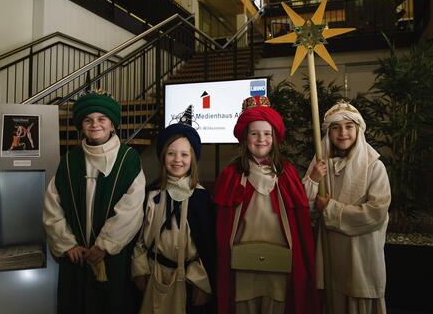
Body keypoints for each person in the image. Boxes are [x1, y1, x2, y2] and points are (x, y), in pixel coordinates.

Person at [43, 91, 146, 314]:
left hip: (112, 258)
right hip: (77, 256)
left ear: (112, 125)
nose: (95, 124)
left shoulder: (128, 160)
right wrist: (66, 243)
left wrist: (104, 244)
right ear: (81, 125)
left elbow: (132, 209)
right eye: (88, 120)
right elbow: (53, 204)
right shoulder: (69, 161)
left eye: (102, 119)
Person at [214, 96, 319, 314]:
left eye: (267, 133)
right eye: (254, 133)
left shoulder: (287, 172)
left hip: (279, 264)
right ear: (245, 137)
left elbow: (299, 218)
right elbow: (222, 226)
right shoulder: (230, 175)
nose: (261, 139)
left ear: (275, 137)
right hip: (242, 265)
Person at [302, 101, 391, 314]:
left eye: (349, 126)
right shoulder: (320, 163)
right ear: (329, 132)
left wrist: (331, 208)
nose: (343, 133)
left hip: (361, 252)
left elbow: (376, 212)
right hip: (330, 252)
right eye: (336, 127)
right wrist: (313, 180)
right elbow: (304, 206)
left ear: (358, 130)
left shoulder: (374, 166)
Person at [132, 122, 216, 314]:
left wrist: (202, 282)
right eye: (171, 153)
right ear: (163, 157)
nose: (177, 159)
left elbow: (205, 247)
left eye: (184, 154)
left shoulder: (201, 199)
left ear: (193, 159)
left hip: (188, 278)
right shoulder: (151, 195)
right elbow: (140, 238)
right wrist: (140, 270)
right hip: (154, 274)